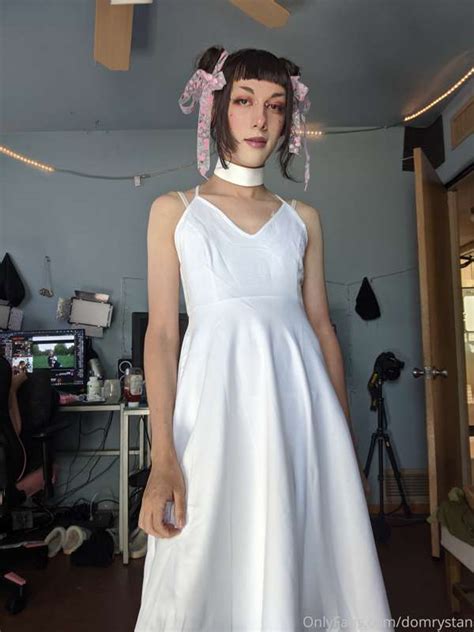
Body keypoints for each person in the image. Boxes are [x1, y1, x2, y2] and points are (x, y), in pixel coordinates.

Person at [134, 46, 393, 631]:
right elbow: (163, 334)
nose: (260, 119)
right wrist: (163, 457)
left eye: (276, 106)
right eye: (244, 101)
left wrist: (343, 441)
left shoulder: (303, 218)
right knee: (199, 561)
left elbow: (322, 328)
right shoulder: (174, 211)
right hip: (211, 422)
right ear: (216, 107)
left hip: (301, 420)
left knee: (307, 559)